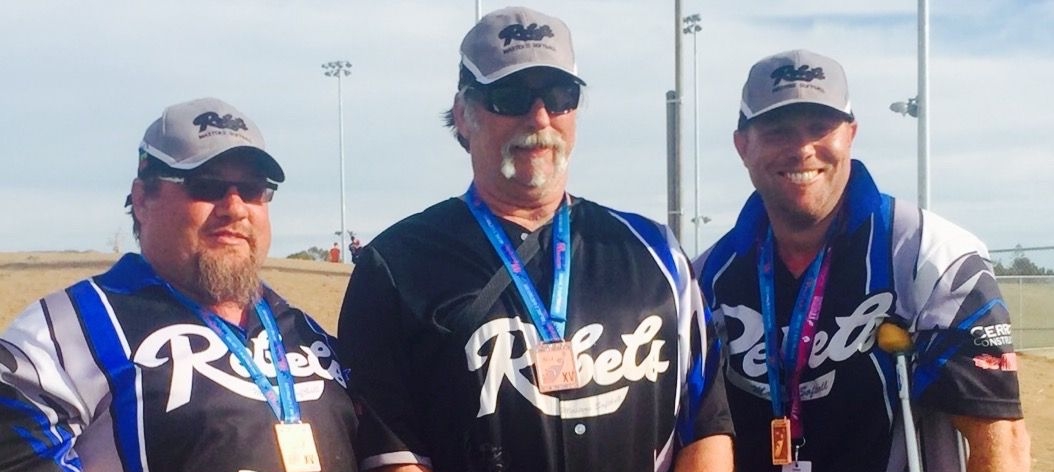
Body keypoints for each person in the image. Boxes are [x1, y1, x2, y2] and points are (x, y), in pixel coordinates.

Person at [336, 7, 733, 472]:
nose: (540, 117)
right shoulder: (397, 266)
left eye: (561, 96)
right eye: (511, 97)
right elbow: (392, 456)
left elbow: (705, 427)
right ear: (463, 114)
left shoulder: (655, 254)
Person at [694, 49, 1031, 472]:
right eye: (778, 130)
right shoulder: (703, 278)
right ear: (743, 146)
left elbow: (1000, 442)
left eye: (820, 127)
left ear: (850, 134)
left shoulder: (933, 258)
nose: (802, 149)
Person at [0, 97, 360, 471]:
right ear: (142, 200)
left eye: (252, 189)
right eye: (207, 186)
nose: (234, 208)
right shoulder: (66, 331)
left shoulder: (304, 333)